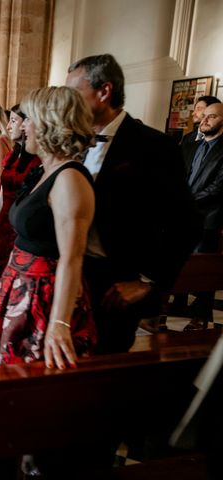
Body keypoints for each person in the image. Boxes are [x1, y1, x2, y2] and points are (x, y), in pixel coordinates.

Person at [65, 53, 200, 355]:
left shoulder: (153, 147)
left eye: (75, 93)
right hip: (68, 277)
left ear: (104, 91)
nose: (68, 104)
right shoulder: (73, 141)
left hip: (111, 284)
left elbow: (188, 222)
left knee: (100, 378)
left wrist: (149, 282)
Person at [0, 86, 96, 370]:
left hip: (45, 296)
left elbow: (72, 257)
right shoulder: (44, 171)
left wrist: (59, 322)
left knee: (30, 377)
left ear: (49, 122)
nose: (23, 126)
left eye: (28, 118)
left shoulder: (70, 178)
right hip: (22, 286)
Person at [181, 102, 223, 330]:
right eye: (204, 116)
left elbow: (218, 188)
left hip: (209, 218)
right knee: (180, 264)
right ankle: (173, 309)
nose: (205, 120)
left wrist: (186, 202)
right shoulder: (194, 146)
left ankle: (201, 316)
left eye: (212, 117)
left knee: (203, 271)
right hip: (187, 215)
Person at [0, 104, 41, 263]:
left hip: (18, 226)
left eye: (14, 121)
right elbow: (2, 196)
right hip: (3, 220)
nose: (8, 126)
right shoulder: (12, 155)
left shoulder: (36, 161)